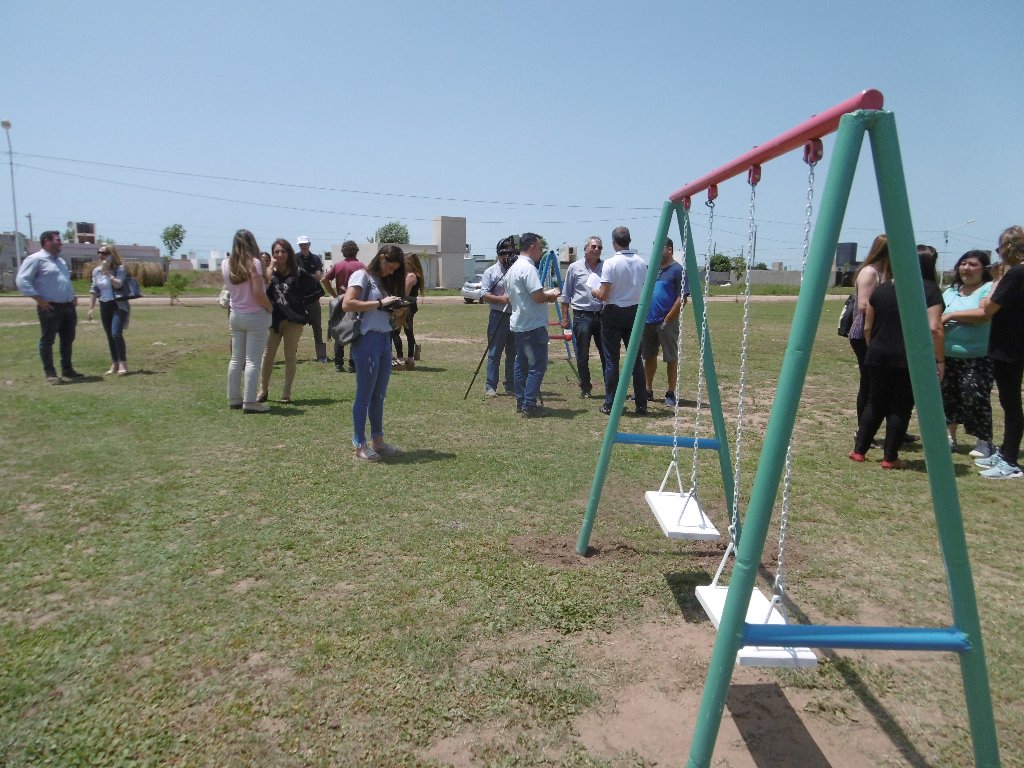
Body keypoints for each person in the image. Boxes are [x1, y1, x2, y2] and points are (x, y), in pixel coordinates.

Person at [849, 247, 944, 468]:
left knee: (875, 401)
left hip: (879, 353)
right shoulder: (929, 291)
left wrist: (876, 348)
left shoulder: (881, 290)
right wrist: (939, 360)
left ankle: (859, 451)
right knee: (900, 407)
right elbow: (935, 328)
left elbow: (868, 327)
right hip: (911, 357)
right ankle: (890, 457)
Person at [342, 244, 407, 460]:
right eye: (390, 267)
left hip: (384, 339)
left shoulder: (384, 282)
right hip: (367, 340)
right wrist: (380, 302)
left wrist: (395, 308)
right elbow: (348, 303)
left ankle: (378, 441)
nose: (391, 272)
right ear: (381, 258)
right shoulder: (361, 276)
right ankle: (360, 444)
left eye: (395, 269)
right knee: (364, 395)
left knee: (379, 395)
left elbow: (383, 311)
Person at [973, 225, 1024, 479]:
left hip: (1010, 347)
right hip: (1012, 345)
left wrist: (997, 279)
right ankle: (1006, 452)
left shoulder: (1015, 275)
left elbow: (987, 308)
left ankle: (1010, 460)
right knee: (1010, 402)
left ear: (1007, 248)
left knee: (1011, 403)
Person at [939, 249, 994, 456]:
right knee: (948, 397)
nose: (966, 268)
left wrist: (952, 315)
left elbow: (983, 314)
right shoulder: (951, 290)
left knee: (975, 397)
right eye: (963, 263)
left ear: (983, 269)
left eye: (972, 264)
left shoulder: (988, 289)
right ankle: (950, 437)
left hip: (977, 356)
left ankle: (983, 441)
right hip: (947, 356)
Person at [593, 226, 649, 415]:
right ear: (629, 241)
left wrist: (593, 290)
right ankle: (641, 403)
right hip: (635, 312)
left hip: (613, 312)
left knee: (611, 361)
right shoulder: (641, 262)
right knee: (635, 360)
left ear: (614, 242)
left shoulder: (610, 263)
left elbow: (603, 294)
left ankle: (610, 403)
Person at [16, 230, 82, 383]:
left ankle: (67, 369)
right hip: (50, 308)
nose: (61, 243)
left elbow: (63, 281)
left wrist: (72, 296)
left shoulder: (61, 261)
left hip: (68, 307)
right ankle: (50, 373)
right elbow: (22, 280)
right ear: (47, 241)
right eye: (58, 240)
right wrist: (39, 299)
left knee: (67, 339)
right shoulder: (36, 259)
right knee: (48, 341)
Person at [506, 232, 561, 417]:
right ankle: (529, 404)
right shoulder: (528, 268)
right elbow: (537, 297)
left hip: (520, 323)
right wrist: (551, 295)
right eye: (539, 248)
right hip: (532, 325)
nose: (540, 252)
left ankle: (521, 401)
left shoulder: (513, 268)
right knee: (537, 365)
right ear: (531, 248)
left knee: (521, 364)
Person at [257, 239, 315, 405]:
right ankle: (263, 390)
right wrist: (270, 267)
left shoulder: (298, 272)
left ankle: (286, 392)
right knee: (267, 356)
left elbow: (315, 289)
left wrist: (299, 304)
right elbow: (262, 287)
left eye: (283, 251)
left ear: (289, 253)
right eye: (276, 252)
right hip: (272, 320)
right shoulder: (269, 273)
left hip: (293, 321)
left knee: (290, 356)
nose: (280, 254)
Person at [222, 229, 273, 413]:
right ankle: (250, 401)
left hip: (236, 315)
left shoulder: (225, 263)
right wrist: (269, 307)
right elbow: (258, 293)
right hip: (255, 315)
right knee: (253, 360)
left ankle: (234, 398)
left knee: (236, 359)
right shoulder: (255, 263)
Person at [849, 235, 892, 422]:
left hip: (881, 332)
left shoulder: (886, 272)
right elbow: (863, 306)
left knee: (887, 382)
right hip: (864, 333)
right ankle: (864, 430)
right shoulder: (869, 272)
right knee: (869, 382)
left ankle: (894, 427)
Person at [642, 237, 688, 407]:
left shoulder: (678, 270)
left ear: (669, 249)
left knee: (670, 358)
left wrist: (668, 319)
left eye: (659, 248)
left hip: (667, 322)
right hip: (648, 321)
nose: (655, 252)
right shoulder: (651, 270)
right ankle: (647, 390)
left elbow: (682, 298)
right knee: (649, 357)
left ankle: (670, 393)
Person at [560, 235, 606, 398]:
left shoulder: (606, 267)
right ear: (586, 248)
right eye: (593, 247)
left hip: (602, 316)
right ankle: (585, 387)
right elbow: (566, 295)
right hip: (582, 316)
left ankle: (610, 386)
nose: (596, 250)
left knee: (606, 353)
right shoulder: (574, 267)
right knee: (582, 354)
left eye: (599, 247)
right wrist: (565, 318)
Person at [480, 237, 518, 397]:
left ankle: (510, 385)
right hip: (498, 316)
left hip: (515, 316)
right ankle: (491, 385)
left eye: (511, 253)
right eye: (506, 253)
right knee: (495, 352)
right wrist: (502, 299)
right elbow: (483, 294)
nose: (508, 257)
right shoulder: (491, 272)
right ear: (499, 254)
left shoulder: (517, 269)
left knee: (513, 353)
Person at [86, 244, 131, 375]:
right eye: (99, 252)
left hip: (118, 305)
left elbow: (118, 284)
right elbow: (94, 290)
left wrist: (108, 273)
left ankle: (123, 363)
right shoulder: (96, 271)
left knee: (116, 333)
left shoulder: (120, 269)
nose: (101, 255)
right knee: (109, 335)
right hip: (104, 304)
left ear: (112, 254)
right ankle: (115, 363)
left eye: (105, 253)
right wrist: (91, 308)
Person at [323, 240, 364, 372]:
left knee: (339, 329)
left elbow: (324, 280)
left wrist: (334, 294)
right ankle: (352, 364)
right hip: (354, 301)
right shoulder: (361, 266)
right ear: (356, 251)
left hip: (340, 301)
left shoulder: (338, 265)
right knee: (355, 331)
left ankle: (338, 364)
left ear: (343, 251)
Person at [295, 235, 327, 362]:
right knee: (295, 327)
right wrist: (311, 276)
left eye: (305, 244)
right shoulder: (294, 258)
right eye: (301, 245)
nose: (303, 246)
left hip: (313, 298)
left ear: (309, 245)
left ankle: (321, 356)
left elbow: (319, 276)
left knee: (317, 327)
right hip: (298, 299)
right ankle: (292, 354)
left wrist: (304, 275)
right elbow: (293, 276)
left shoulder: (315, 258)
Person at [391, 251, 424, 369]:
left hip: (406, 306)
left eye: (405, 262)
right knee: (408, 331)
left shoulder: (411, 276)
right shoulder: (416, 275)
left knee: (394, 332)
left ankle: (401, 357)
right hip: (411, 304)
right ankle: (410, 358)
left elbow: (404, 293)